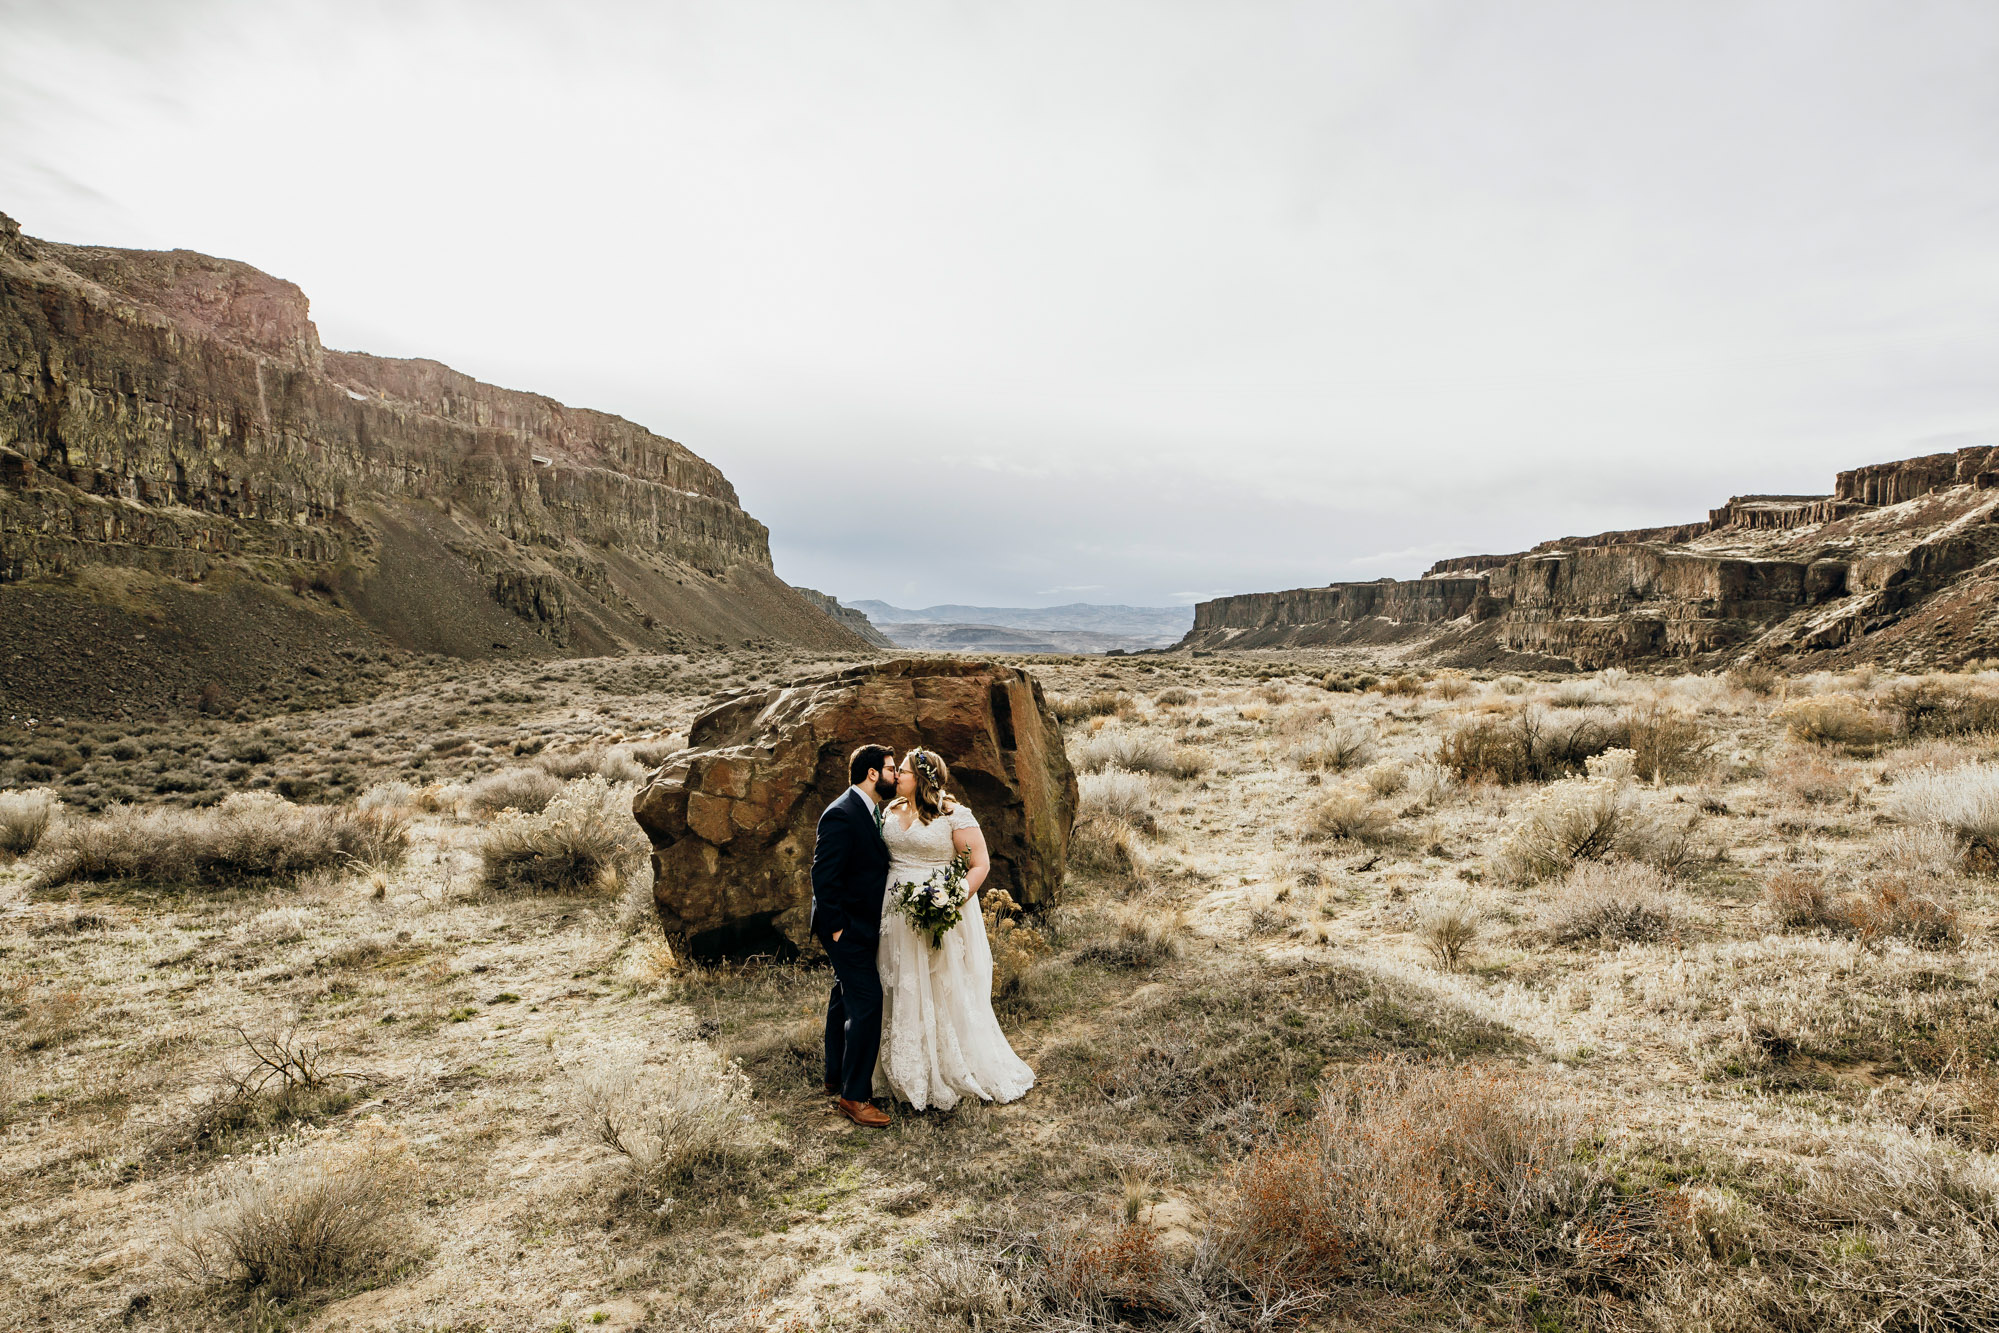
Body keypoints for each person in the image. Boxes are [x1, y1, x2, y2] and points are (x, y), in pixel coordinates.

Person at [875, 747, 1035, 1111]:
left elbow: (979, 863)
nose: (895, 776)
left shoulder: (953, 814)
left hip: (937, 910)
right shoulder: (891, 810)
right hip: (894, 912)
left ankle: (946, 1065)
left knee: (940, 983)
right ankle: (899, 1067)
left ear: (922, 778)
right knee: (898, 982)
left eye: (902, 771)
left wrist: (951, 897)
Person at [809, 743, 897, 1128]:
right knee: (867, 1001)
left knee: (842, 998)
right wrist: (838, 928)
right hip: (845, 928)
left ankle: (834, 1074)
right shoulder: (842, 814)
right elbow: (822, 876)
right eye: (892, 769)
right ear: (873, 773)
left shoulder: (870, 810)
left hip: (860, 925)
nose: (896, 775)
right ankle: (854, 1096)